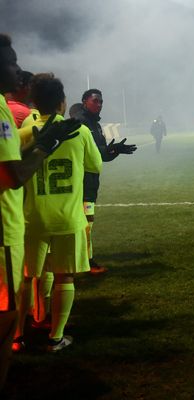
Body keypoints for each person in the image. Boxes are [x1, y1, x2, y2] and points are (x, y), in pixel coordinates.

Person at [0, 34, 81, 364]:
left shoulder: (10, 114)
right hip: (6, 229)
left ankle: (23, 333)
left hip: (29, 220)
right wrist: (45, 145)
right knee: (7, 307)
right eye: (11, 62)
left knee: (28, 282)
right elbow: (10, 176)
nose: (18, 70)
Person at [13, 73, 102, 352]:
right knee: (65, 276)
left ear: (34, 102)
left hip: (32, 217)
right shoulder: (79, 131)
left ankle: (16, 336)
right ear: (63, 101)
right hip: (67, 216)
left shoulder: (24, 132)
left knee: (27, 278)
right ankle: (55, 337)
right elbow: (95, 166)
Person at [75, 89, 137, 274]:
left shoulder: (95, 124)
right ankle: (86, 262)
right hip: (82, 181)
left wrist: (115, 150)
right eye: (95, 101)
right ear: (85, 101)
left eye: (101, 101)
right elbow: (86, 153)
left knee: (86, 221)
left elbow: (100, 155)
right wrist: (107, 151)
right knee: (86, 221)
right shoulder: (82, 123)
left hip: (91, 180)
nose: (99, 104)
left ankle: (82, 260)